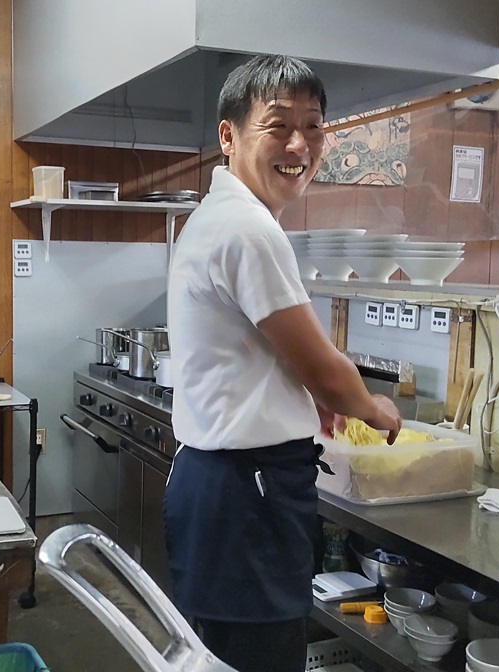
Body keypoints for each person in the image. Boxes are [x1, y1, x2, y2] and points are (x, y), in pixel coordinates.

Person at [163, 55, 402, 672]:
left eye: (314, 126)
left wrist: (313, 395)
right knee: (256, 657)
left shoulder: (224, 218)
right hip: (248, 494)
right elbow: (322, 367)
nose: (299, 144)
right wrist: (371, 407)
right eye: (278, 126)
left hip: (225, 489)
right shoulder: (248, 229)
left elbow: (276, 353)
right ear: (229, 135)